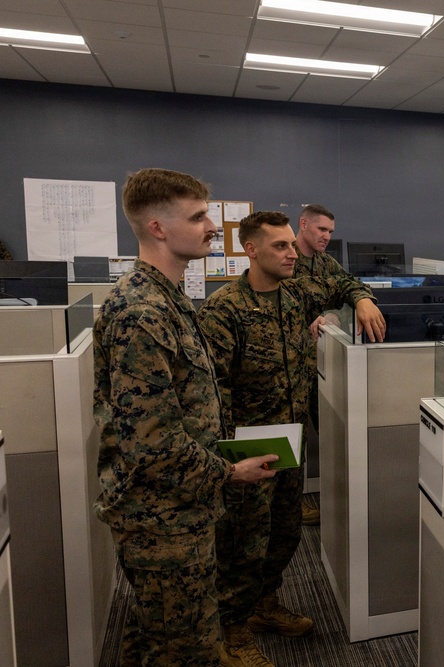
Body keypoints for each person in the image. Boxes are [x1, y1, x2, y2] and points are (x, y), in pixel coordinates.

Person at [93, 168, 277, 666]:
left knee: (157, 637)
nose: (212, 227)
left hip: (182, 507)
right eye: (197, 218)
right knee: (187, 648)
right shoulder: (142, 312)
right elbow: (153, 445)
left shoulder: (169, 298)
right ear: (157, 227)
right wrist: (229, 472)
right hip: (161, 520)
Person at [198, 210, 385, 666]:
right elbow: (210, 392)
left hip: (289, 440)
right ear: (251, 249)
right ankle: (232, 632)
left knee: (284, 534)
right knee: (242, 544)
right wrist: (229, 462)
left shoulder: (297, 293)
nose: (291, 254)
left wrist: (362, 299)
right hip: (246, 449)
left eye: (290, 245)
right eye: (279, 246)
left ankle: (264, 607)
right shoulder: (225, 309)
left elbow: (343, 284)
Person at [292, 203, 348, 527]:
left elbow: (348, 289)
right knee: (294, 439)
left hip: (320, 367)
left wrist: (332, 314)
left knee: (328, 433)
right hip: (290, 367)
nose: (326, 236)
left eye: (330, 231)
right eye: (321, 229)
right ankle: (290, 509)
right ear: (303, 224)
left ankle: (334, 502)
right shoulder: (285, 258)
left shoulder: (326, 263)